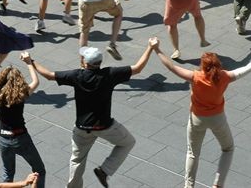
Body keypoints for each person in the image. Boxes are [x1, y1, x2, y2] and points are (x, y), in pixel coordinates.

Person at [29, 39, 158, 187]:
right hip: (105, 126)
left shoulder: (77, 75)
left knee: (77, 160)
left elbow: (49, 75)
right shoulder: (110, 74)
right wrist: (150, 47)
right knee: (128, 142)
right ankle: (105, 170)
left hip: (82, 128)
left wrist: (30, 61)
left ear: (85, 63)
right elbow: (137, 68)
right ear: (99, 62)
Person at [153, 47, 251, 188]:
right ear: (218, 64)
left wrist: (157, 49)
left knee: (192, 153)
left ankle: (188, 186)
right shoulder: (225, 77)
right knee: (228, 148)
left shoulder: (195, 77)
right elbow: (248, 68)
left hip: (197, 119)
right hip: (218, 119)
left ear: (202, 65)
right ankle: (218, 184)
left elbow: (171, 67)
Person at [0, 48, 46, 188]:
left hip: (3, 138)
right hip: (21, 138)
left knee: (8, 173)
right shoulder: (21, 94)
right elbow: (36, 81)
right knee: (39, 170)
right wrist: (28, 62)